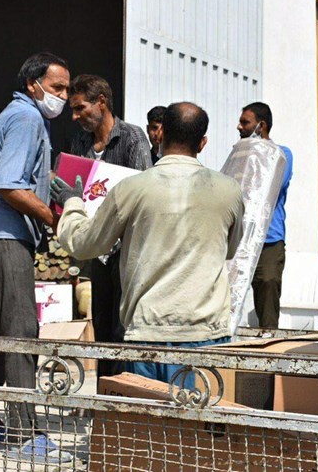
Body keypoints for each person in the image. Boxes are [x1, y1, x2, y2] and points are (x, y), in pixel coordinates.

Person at [52, 102, 244, 383]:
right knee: (199, 412)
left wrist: (72, 203)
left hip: (146, 334)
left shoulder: (131, 188)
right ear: (202, 143)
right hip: (206, 334)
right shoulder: (229, 191)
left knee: (145, 412)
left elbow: (84, 243)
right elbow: (230, 249)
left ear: (161, 134)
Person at [0, 52, 68, 462]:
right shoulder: (26, 118)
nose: (62, 97)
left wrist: (59, 188)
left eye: (66, 89)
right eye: (57, 87)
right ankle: (27, 434)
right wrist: (54, 217)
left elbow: (31, 176)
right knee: (22, 327)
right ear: (32, 83)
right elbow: (9, 185)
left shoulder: (22, 116)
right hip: (6, 232)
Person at [67, 74, 151, 377]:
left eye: (81, 108)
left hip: (126, 248)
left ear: (101, 102)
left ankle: (125, 390)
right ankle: (106, 389)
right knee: (102, 326)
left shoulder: (132, 138)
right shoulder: (80, 142)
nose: (75, 116)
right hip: (97, 247)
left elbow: (144, 191)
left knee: (123, 326)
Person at [236, 102, 293, 329]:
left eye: (245, 122)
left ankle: (268, 342)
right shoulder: (239, 154)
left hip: (268, 241)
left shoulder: (282, 154)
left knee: (267, 287)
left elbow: (270, 186)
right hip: (240, 239)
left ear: (261, 126)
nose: (239, 127)